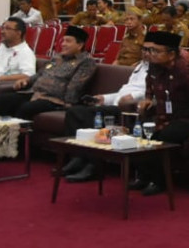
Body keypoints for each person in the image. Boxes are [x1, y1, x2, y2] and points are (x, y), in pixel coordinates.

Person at [133, 32, 189, 196]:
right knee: (138, 132)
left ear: (171, 54)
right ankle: (143, 177)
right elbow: (150, 81)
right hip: (164, 116)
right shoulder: (155, 66)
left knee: (160, 138)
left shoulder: (185, 70)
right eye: (151, 51)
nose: (151, 55)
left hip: (186, 119)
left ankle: (159, 182)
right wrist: (148, 98)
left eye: (156, 51)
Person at [61, 52, 150, 183]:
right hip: (116, 104)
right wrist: (104, 98)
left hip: (128, 109)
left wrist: (133, 97)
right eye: (145, 49)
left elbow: (146, 93)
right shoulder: (140, 66)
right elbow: (123, 91)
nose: (146, 53)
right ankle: (77, 158)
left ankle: (93, 166)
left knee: (90, 114)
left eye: (151, 49)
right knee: (74, 112)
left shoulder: (158, 70)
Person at [0, 26, 96, 120]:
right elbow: (40, 74)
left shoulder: (86, 62)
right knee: (3, 100)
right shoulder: (57, 57)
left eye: (68, 41)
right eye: (63, 41)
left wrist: (68, 104)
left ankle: (18, 139)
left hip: (55, 100)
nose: (63, 44)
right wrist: (26, 80)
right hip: (34, 93)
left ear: (80, 45)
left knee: (27, 108)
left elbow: (76, 85)